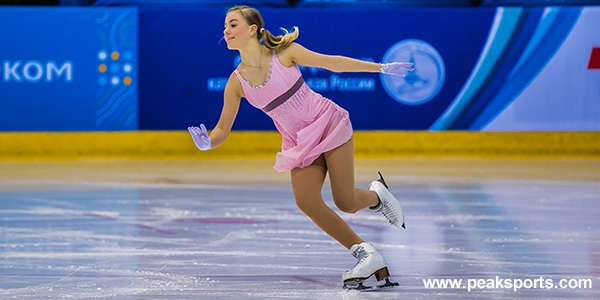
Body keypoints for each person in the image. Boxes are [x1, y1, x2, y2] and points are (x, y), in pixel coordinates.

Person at [188, 5, 413, 290]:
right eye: (225, 26)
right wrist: (208, 142)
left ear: (253, 29)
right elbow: (222, 130)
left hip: (326, 122)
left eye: (233, 25)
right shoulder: (236, 83)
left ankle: (376, 197)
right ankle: (365, 252)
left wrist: (380, 68)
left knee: (345, 201)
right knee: (306, 200)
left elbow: (332, 62)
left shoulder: (284, 53)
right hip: (298, 141)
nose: (226, 31)